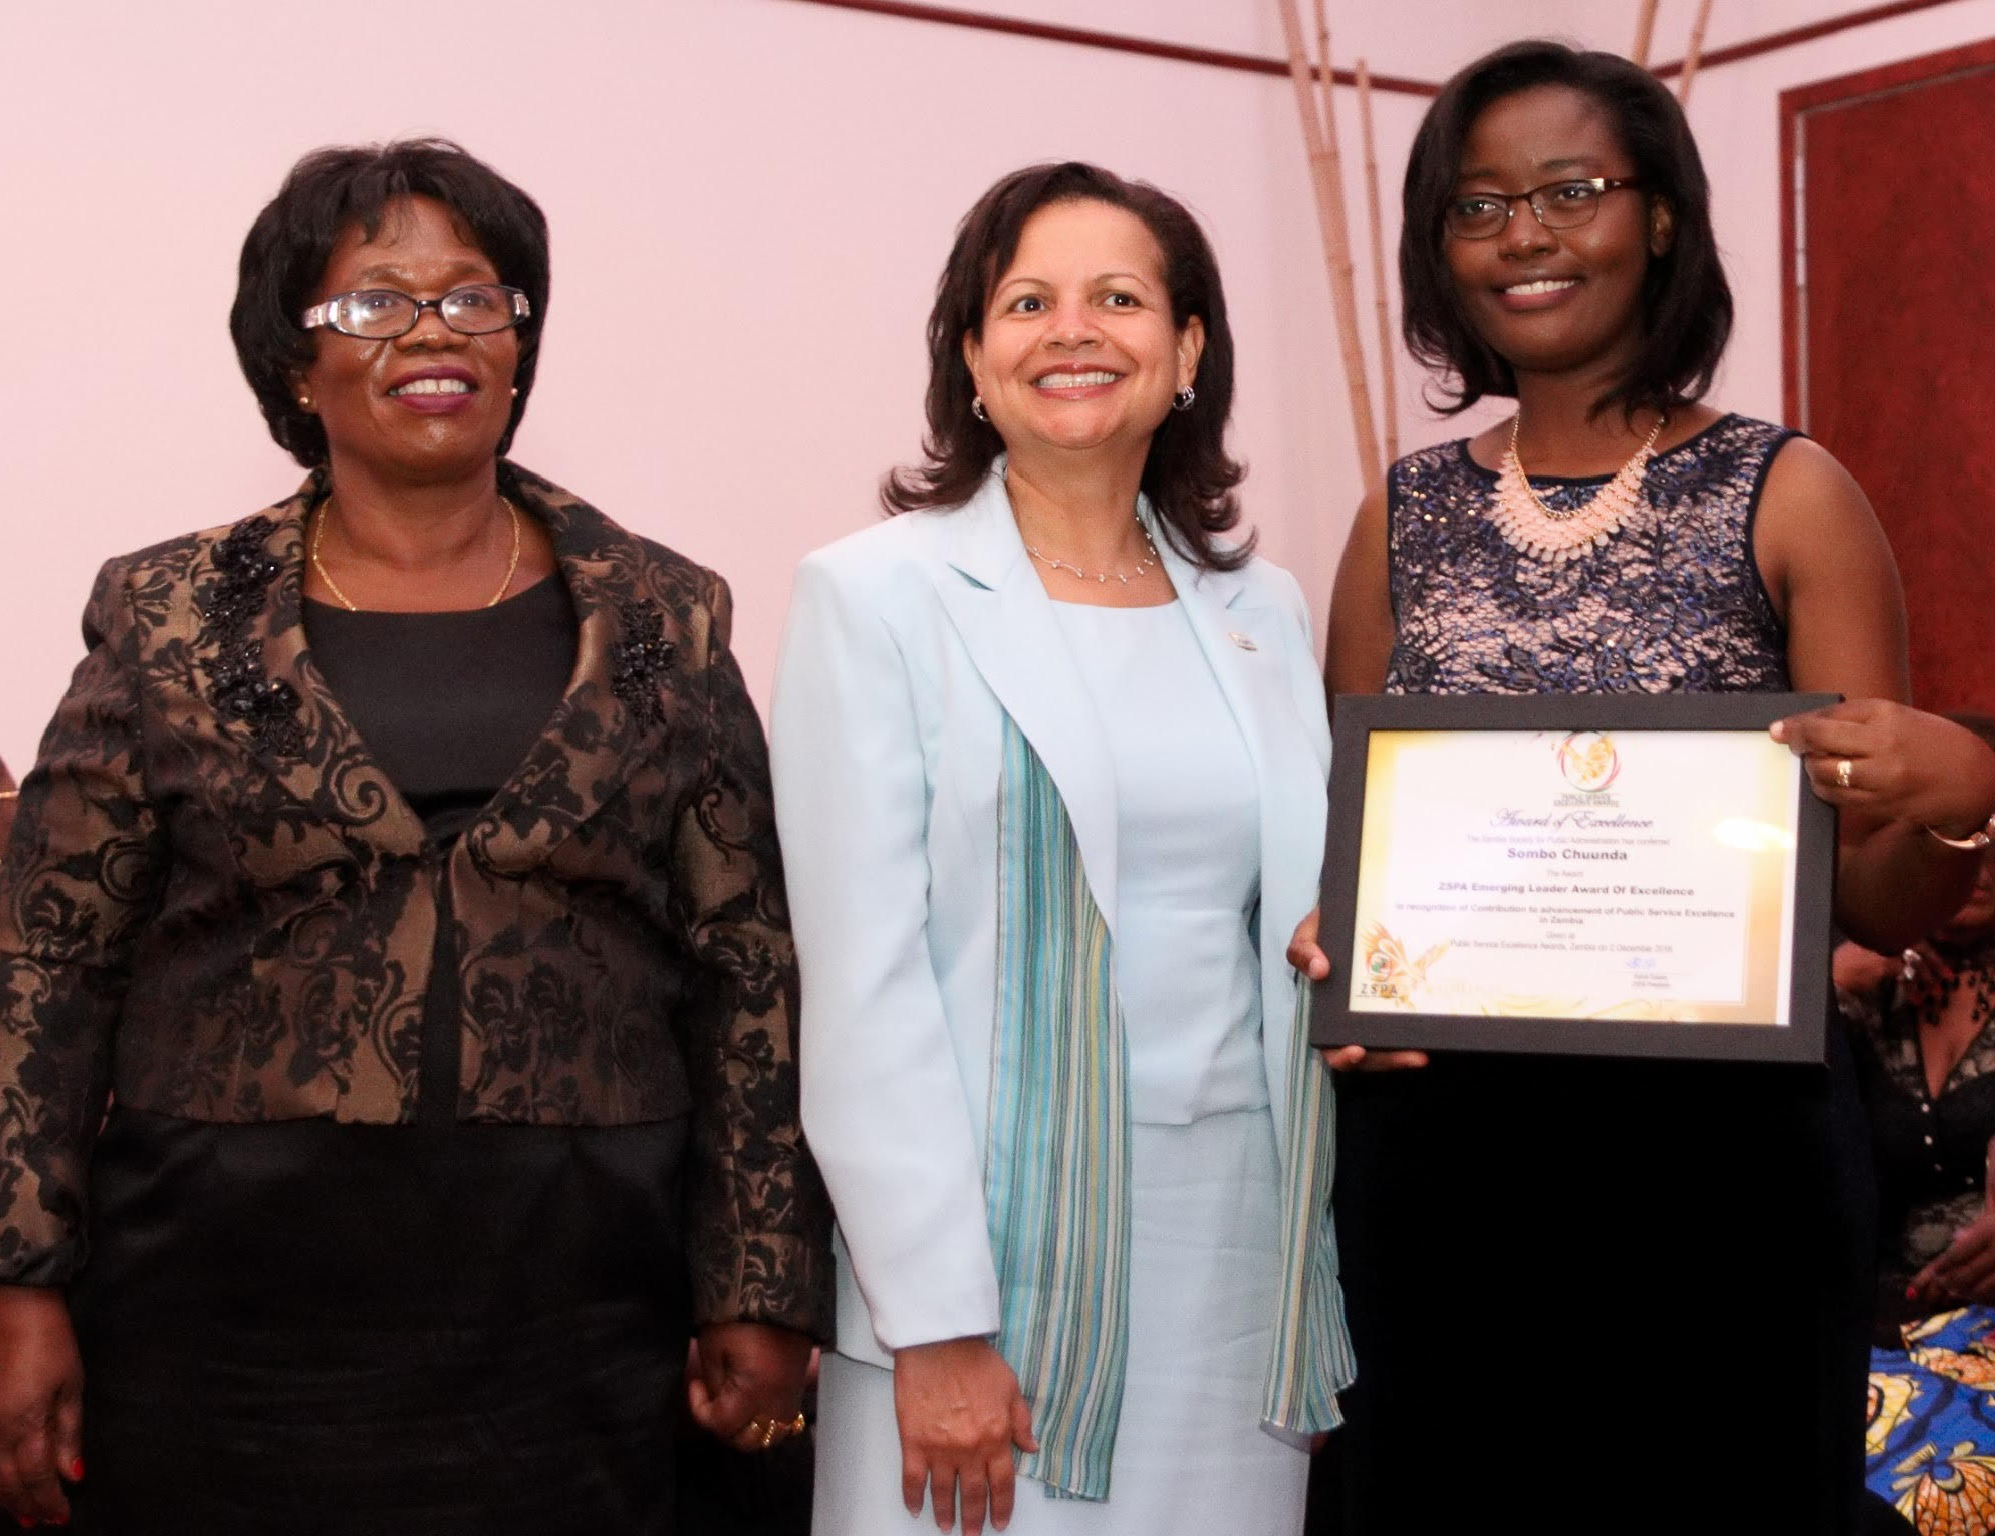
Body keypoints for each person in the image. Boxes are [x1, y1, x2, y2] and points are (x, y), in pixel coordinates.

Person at [0, 139, 832, 1534]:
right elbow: (47, 964)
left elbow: (746, 967)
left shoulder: (666, 616)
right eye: (373, 303)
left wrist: (757, 1279)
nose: (433, 331)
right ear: (292, 361)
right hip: (226, 1299)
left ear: (520, 343)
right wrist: (20, 1279)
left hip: (574, 1298)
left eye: (475, 299)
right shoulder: (166, 613)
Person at [1301, 41, 1995, 1534]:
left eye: (1568, 191)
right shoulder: (1398, 518)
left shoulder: (1786, 490)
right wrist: (1330, 949)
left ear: (1661, 216)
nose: (1522, 236)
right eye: (1475, 206)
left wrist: (1953, 799)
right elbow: (1346, 852)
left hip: (1717, 1181)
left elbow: (1870, 889)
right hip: (1442, 1177)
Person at [770, 162, 1350, 1536]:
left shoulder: (1257, 608)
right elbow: (858, 987)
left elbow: (1292, 905)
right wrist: (933, 1319)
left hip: (1233, 1247)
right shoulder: (875, 597)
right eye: (1024, 301)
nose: (1071, 330)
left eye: (1118, 298)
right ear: (970, 359)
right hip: (983, 1265)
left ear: (1186, 350)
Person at [1839, 714, 1995, 1530]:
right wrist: (1821, 985)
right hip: (1876, 1335)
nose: (1976, 856)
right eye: (1949, 833)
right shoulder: (1859, 988)